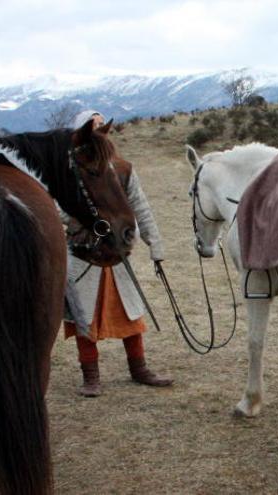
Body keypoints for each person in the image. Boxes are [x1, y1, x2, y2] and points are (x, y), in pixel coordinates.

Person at [64, 110, 172, 397]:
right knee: (83, 315)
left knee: (130, 311)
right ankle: (91, 376)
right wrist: (83, 225)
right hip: (84, 252)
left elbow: (140, 206)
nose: (100, 129)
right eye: (93, 125)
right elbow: (57, 206)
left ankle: (139, 369)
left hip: (117, 252)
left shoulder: (122, 168)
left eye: (102, 124)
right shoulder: (69, 168)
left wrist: (155, 245)